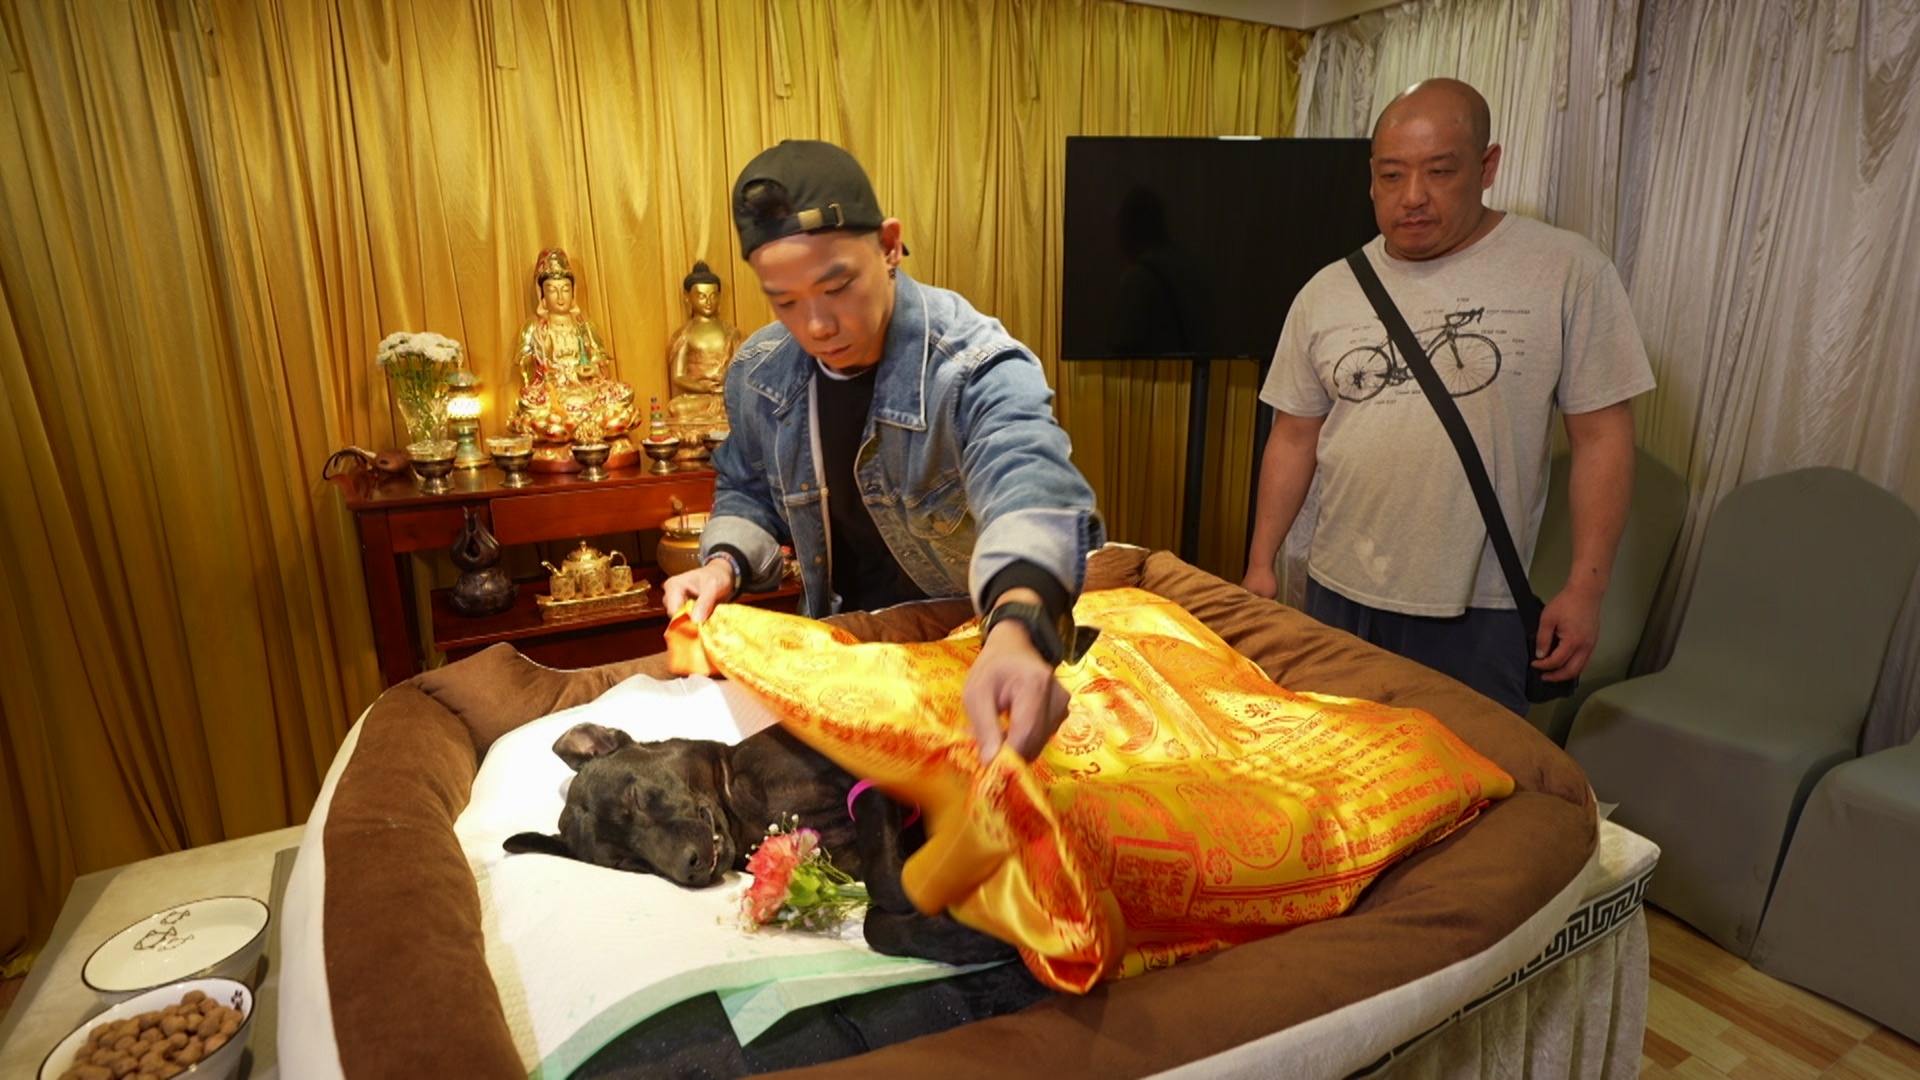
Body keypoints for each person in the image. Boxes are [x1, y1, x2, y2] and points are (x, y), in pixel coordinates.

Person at [662, 139, 1104, 763]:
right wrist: (723, 563)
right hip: (839, 645)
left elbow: (1030, 487)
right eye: (785, 301)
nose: (816, 326)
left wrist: (1020, 629)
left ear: (890, 246)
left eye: (838, 287)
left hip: (965, 644)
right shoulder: (759, 371)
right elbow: (748, 488)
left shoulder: (973, 366)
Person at [1241, 78, 1654, 716]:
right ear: (1371, 179)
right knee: (1333, 761)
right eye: (1391, 175)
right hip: (1336, 592)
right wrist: (1261, 563)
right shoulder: (1326, 291)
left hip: (1479, 609)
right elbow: (1293, 437)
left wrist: (1586, 587)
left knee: (1470, 774)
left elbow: (1603, 435)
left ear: (1487, 167)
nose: (1412, 196)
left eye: (1439, 171)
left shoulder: (1566, 271)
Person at [508, 247, 638, 448]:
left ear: (573, 291)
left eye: (565, 289)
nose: (560, 297)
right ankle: (595, 424)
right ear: (542, 294)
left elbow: (599, 358)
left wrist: (592, 369)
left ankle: (569, 426)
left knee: (624, 392)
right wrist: (542, 370)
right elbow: (524, 365)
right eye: (552, 290)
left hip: (586, 387)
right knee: (528, 402)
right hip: (553, 392)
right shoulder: (534, 326)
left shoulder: (584, 324)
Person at [665, 260, 741, 428]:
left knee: (748, 405)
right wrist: (705, 388)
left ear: (719, 297)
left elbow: (740, 368)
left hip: (726, 396)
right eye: (701, 296)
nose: (708, 301)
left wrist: (725, 386)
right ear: (687, 298)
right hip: (699, 397)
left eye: (713, 296)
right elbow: (678, 376)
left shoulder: (731, 332)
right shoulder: (684, 334)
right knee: (677, 408)